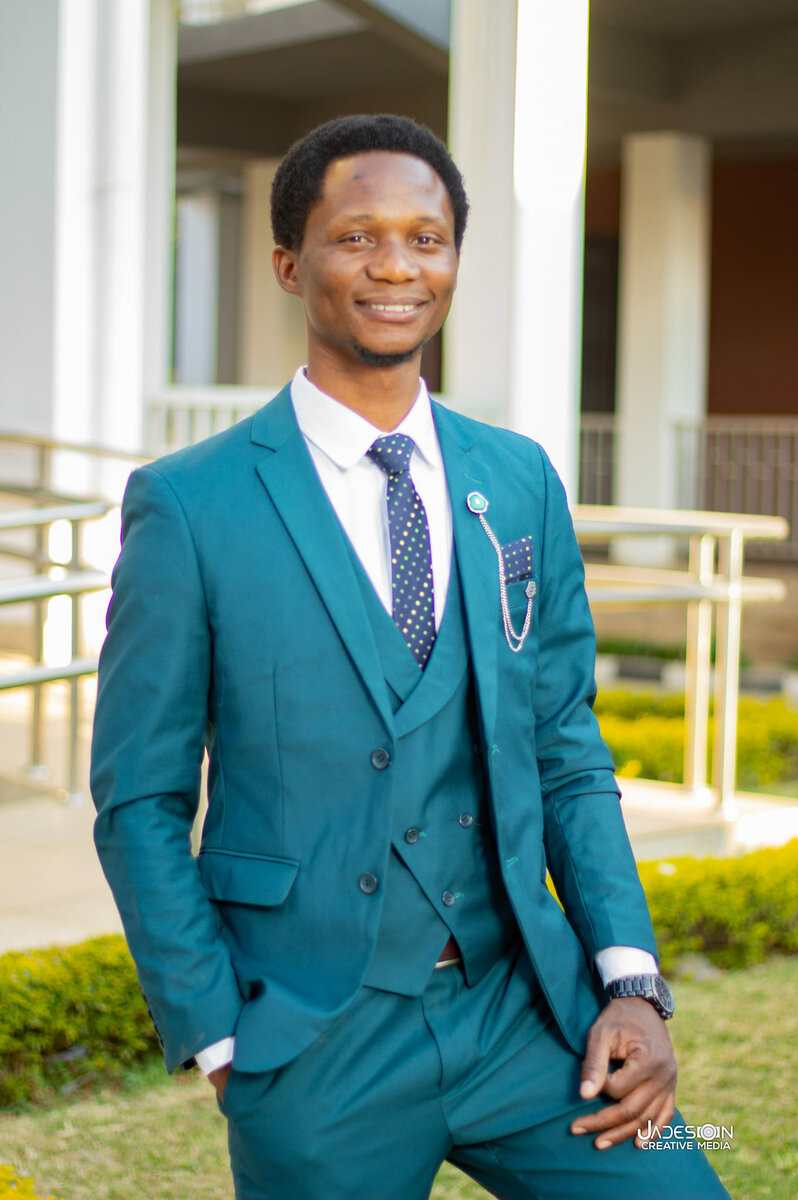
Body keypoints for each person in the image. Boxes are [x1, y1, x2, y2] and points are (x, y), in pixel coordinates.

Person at [91, 114, 728, 1199]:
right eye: (356, 237)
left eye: (426, 239)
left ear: (454, 261)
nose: (396, 266)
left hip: (525, 1013)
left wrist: (629, 980)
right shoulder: (190, 504)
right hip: (310, 1043)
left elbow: (566, 749)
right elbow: (140, 798)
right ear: (289, 263)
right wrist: (218, 1036)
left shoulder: (517, 479)